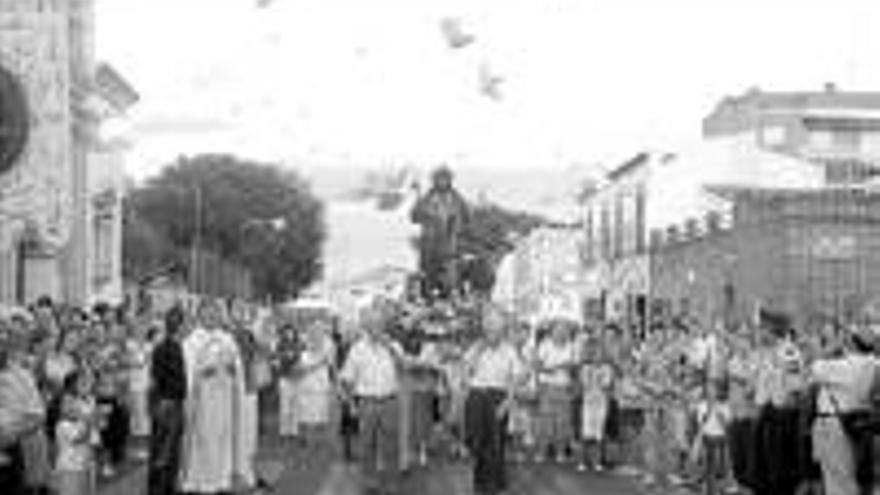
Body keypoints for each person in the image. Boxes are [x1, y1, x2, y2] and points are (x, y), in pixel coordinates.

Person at [179, 299, 249, 495]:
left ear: (219, 316)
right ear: (199, 315)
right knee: (203, 439)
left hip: (224, 397)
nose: (211, 317)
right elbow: (188, 371)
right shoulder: (191, 341)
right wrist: (203, 372)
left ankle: (222, 478)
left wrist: (231, 369)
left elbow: (238, 367)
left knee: (223, 436)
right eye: (207, 313)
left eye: (214, 313)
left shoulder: (228, 338)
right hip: (202, 400)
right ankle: (202, 481)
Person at [339, 302, 404, 494]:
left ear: (385, 325)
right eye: (372, 324)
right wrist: (351, 404)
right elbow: (347, 379)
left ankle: (391, 484)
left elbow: (403, 369)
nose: (376, 328)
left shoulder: (394, 345)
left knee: (391, 446)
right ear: (367, 326)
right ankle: (369, 483)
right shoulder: (357, 349)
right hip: (367, 403)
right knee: (366, 446)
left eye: (380, 324)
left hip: (390, 401)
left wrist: (391, 349)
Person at [463, 304, 526, 495]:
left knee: (496, 441)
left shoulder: (509, 350)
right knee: (477, 441)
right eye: (489, 328)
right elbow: (466, 373)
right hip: (476, 396)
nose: (492, 333)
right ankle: (480, 481)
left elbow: (516, 378)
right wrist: (479, 351)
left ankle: (495, 483)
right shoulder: (476, 347)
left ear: (502, 330)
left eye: (496, 329)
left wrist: (507, 402)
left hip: (498, 397)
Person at [810, 326, 879, 495]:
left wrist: (831, 347)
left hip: (834, 425)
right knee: (851, 477)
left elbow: (814, 367)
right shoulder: (874, 364)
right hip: (856, 424)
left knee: (839, 481)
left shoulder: (846, 366)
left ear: (853, 344)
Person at [410, 166, 469, 301]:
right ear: (434, 180)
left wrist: (458, 230)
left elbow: (466, 217)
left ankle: (451, 300)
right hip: (429, 245)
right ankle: (427, 300)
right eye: (439, 179)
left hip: (450, 244)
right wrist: (418, 199)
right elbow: (414, 217)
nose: (442, 182)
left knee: (450, 276)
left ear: (450, 180)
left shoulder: (456, 198)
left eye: (445, 179)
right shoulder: (428, 197)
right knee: (428, 275)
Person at [147, 307, 187, 495]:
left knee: (170, 451)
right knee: (164, 452)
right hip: (168, 403)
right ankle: (159, 489)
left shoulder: (176, 347)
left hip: (171, 402)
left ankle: (166, 486)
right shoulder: (166, 348)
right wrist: (159, 403)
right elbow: (156, 379)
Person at [534, 318, 578, 463]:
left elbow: (575, 368)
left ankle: (560, 453)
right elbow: (538, 367)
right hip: (547, 386)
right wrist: (556, 367)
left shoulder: (572, 346)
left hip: (564, 387)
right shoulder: (545, 345)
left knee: (563, 422)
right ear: (552, 332)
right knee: (545, 421)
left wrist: (571, 368)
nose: (561, 333)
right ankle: (541, 452)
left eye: (564, 330)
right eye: (558, 330)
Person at [53, 372, 98, 495]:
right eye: (67, 405)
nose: (72, 407)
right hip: (69, 468)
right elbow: (80, 438)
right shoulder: (63, 425)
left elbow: (89, 439)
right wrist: (89, 421)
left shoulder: (77, 421)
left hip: (82, 464)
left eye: (73, 403)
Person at [577, 337, 614, 472]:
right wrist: (591, 375)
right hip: (588, 403)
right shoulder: (585, 368)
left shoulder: (607, 368)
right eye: (593, 352)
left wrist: (599, 377)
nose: (597, 355)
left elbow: (606, 385)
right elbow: (584, 384)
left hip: (601, 403)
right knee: (586, 431)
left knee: (599, 432)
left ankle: (598, 461)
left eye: (599, 353)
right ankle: (583, 460)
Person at [693, 380, 732, 495]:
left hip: (720, 438)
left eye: (713, 389)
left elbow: (727, 425)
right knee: (708, 468)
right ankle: (709, 490)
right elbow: (700, 423)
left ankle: (720, 489)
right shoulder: (702, 405)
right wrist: (707, 413)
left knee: (721, 468)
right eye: (708, 389)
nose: (711, 392)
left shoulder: (724, 406)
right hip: (707, 438)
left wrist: (720, 415)